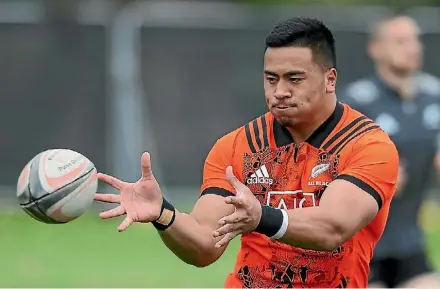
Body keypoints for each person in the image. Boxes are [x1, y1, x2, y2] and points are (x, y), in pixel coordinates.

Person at [94, 17, 399, 288]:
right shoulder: (237, 146)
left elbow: (334, 227)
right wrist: (164, 214)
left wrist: (261, 217)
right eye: (271, 79)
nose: (279, 91)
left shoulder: (367, 146)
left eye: (294, 79)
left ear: (330, 79)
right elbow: (204, 245)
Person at [340, 15, 440, 288]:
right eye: (400, 41)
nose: (413, 48)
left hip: (409, 242)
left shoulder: (435, 95)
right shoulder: (358, 103)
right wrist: (375, 177)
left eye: (415, 40)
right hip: (362, 246)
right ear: (376, 49)